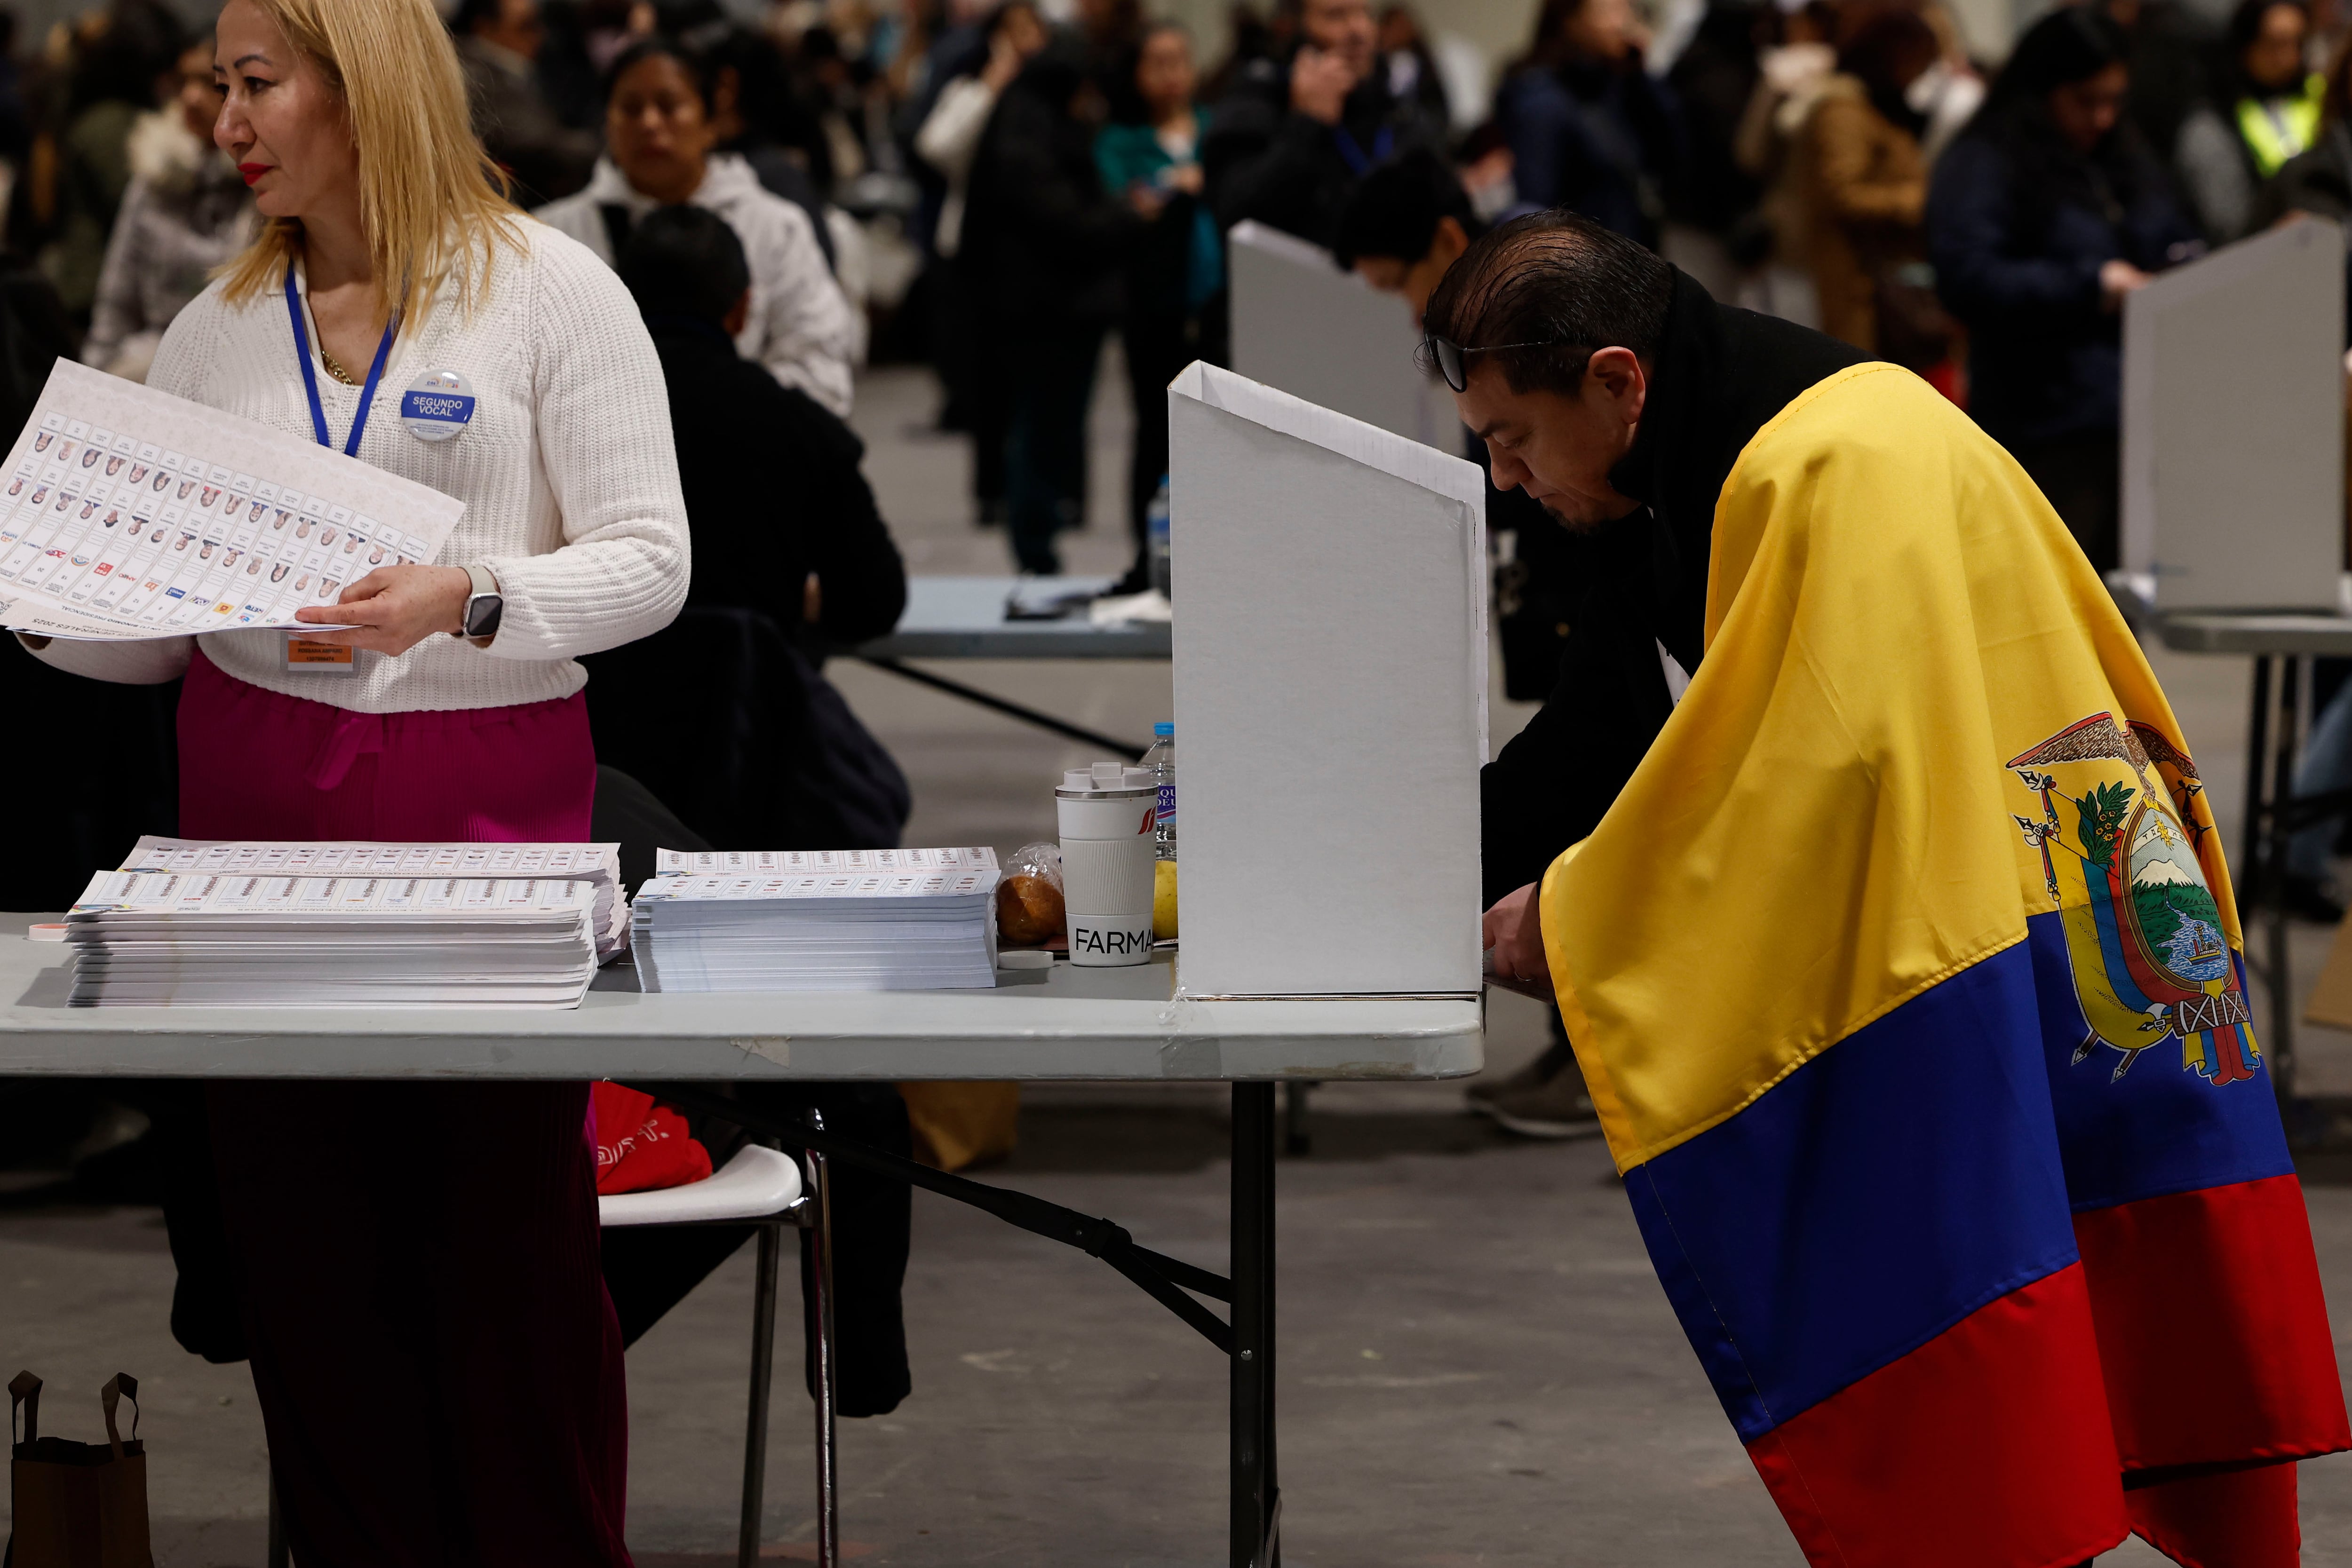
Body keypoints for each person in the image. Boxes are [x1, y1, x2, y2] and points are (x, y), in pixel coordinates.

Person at [1446, 208, 2346, 1568]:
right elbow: (1600, 735)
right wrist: (1381, 870)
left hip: (2002, 941)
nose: (1503, 477)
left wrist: (1570, 917)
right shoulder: (1698, 455)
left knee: (1994, 1305)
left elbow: (1800, 788)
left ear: (1616, 379)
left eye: (1512, 437)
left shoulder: (1817, 464)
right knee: (2064, 1313)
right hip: (2049, 894)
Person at [15, 0, 689, 1560]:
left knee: (504, 1250)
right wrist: (45, 602)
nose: (224, 122)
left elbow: (651, 561)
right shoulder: (214, 331)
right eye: (219, 87)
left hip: (483, 810)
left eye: (256, 84)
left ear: (362, 85)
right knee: (305, 1253)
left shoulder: (550, 293)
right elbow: (165, 631)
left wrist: (470, 595)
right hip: (254, 803)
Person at [1927, 5, 2199, 571]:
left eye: (2113, 101)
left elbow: (2169, 228)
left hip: (2139, 424)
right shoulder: (1985, 159)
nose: (2101, 117)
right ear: (2042, 89)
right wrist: (2090, 285)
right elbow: (1967, 275)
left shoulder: (2123, 152)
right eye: (2085, 100)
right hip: (2042, 426)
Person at [617, 205, 904, 646]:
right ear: (743, 309)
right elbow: (874, 602)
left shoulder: (573, 420)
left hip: (602, 687)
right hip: (754, 681)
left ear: (616, 301)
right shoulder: (802, 427)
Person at [536, 35, 857, 417]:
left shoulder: (775, 227)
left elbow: (822, 374)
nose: (650, 123)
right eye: (631, 109)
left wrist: (714, 409)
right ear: (607, 122)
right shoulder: (551, 236)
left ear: (711, 121)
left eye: (669, 106)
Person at [959, 35, 1143, 573]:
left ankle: (1037, 538)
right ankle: (1034, 543)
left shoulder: (1021, 122)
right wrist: (1129, 215)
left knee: (1042, 429)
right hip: (1050, 311)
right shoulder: (1031, 137)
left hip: (1041, 308)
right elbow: (1063, 220)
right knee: (1042, 430)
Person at [1097, 21, 1222, 587]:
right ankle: (1148, 562)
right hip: (1151, 306)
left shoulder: (1214, 130)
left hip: (1215, 301)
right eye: (1158, 63)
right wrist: (1174, 189)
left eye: (1180, 60)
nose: (1172, 74)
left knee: (1220, 430)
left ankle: (1214, 556)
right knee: (1154, 429)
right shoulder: (1120, 141)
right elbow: (1122, 208)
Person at [914, 0, 1046, 507]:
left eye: (1031, 30)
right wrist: (992, 85)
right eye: (1013, 31)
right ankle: (991, 490)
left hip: (1041, 255)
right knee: (987, 380)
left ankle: (1045, 491)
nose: (1024, 42)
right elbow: (936, 146)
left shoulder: (1056, 99)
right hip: (979, 253)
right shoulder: (970, 89)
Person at [82, 34, 254, 382]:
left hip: (236, 369)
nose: (191, 96)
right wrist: (94, 378)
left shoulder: (262, 185)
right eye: (184, 81)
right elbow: (117, 297)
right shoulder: (155, 175)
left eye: (210, 84)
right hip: (149, 362)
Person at [1204, 0, 1445, 249]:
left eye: (1365, 13)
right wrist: (1306, 122)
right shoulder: (1256, 99)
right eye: (1336, 15)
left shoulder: (1399, 111)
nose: (1359, 30)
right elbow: (1236, 218)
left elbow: (1444, 213)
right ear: (1293, 27)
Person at [1794, 7, 1938, 356]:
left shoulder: (1881, 106)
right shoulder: (1845, 110)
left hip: (1884, 272)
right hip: (1852, 279)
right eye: (1916, 62)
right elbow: (1843, 193)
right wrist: (1914, 201)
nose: (1919, 74)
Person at [1491, 0, 1684, 246]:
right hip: (1580, 258)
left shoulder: (1618, 88)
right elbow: (1535, 207)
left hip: (1629, 251)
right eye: (1609, 11)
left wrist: (1640, 74)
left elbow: (1675, 161)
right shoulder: (1539, 98)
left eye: (1626, 9)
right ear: (1570, 21)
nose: (1623, 23)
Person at [2177, 0, 2324, 240]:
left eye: (2298, 43)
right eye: (2275, 45)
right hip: (2269, 244)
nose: (2289, 59)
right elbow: (2230, 226)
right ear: (2246, 46)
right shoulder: (2214, 122)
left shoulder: (2321, 93)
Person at [453, 0, 598, 204]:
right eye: (527, 26)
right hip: (518, 195)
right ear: (485, 28)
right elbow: (536, 141)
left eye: (539, 25)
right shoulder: (478, 75)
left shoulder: (516, 68)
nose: (539, 35)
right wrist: (600, 147)